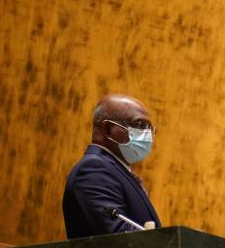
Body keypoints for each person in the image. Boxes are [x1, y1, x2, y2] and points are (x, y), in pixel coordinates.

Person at [63, 94, 161, 238]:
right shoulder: (93, 171)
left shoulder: (119, 171)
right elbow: (118, 238)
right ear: (108, 129)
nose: (148, 135)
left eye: (150, 129)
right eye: (140, 125)